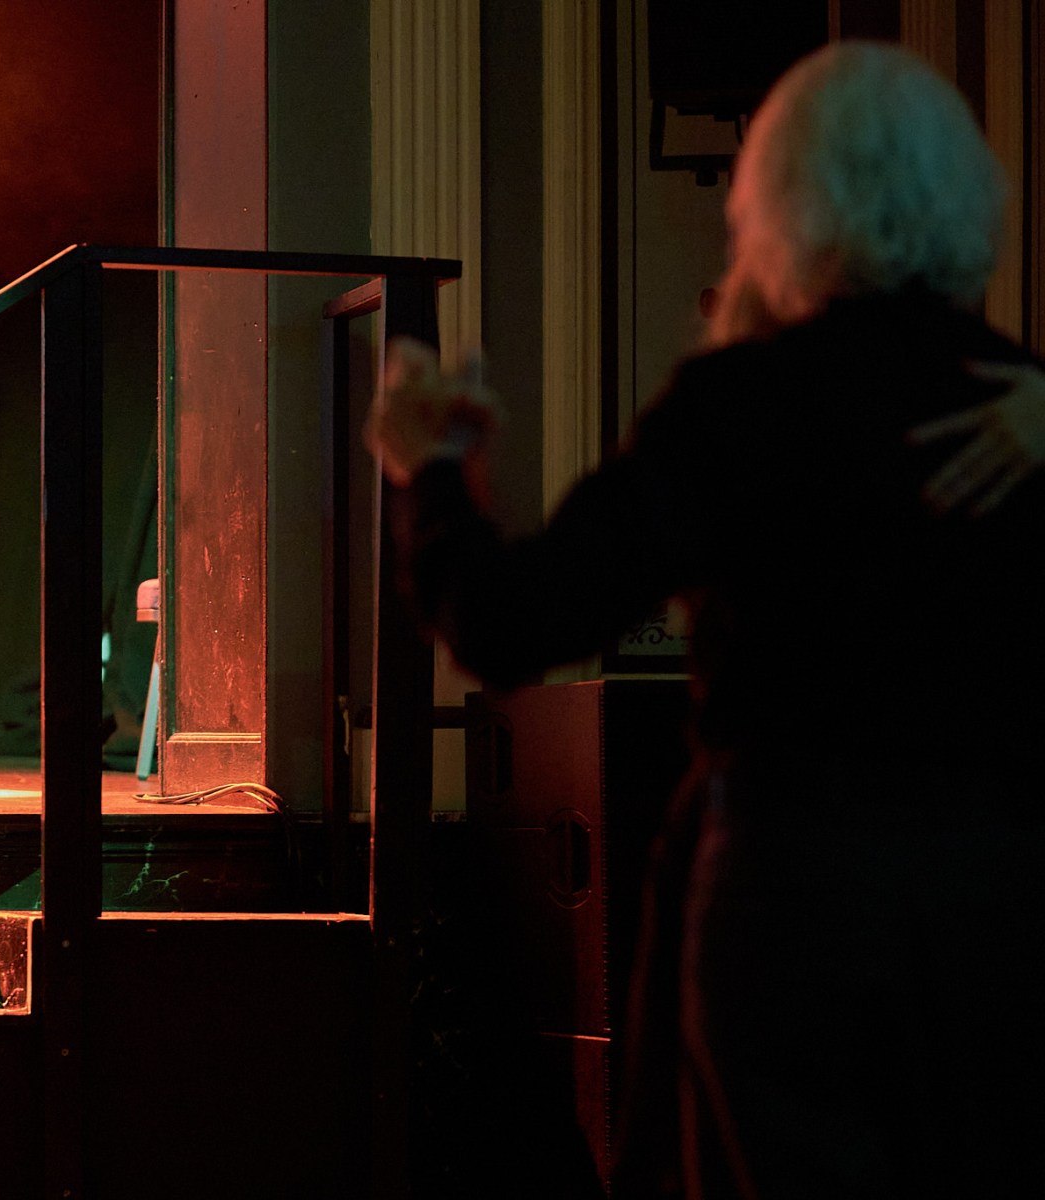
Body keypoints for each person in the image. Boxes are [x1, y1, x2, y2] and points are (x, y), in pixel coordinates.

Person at [367, 43, 1045, 1198]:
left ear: (779, 209)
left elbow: (509, 624)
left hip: (794, 891)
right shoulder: (1019, 405)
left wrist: (429, 475)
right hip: (1005, 899)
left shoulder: (741, 407)